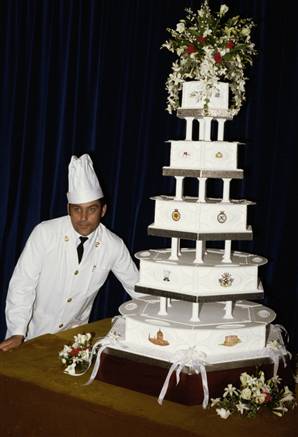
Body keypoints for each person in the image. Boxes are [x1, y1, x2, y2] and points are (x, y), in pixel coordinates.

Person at [0, 154, 142, 352]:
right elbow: (22, 284)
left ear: (103, 210)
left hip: (75, 342)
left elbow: (138, 289)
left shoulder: (114, 245)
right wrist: (17, 331)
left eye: (91, 209)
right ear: (68, 209)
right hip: (30, 335)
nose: (83, 218)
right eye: (77, 209)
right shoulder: (45, 232)